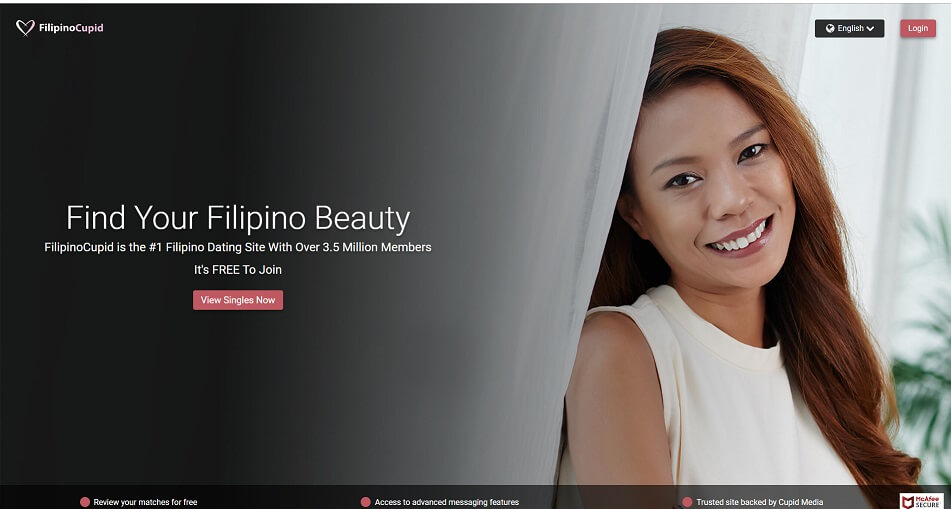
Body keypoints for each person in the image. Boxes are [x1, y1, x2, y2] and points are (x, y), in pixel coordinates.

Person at [556, 28, 920, 509]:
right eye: (683, 179)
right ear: (634, 214)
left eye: (751, 152)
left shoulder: (825, 364)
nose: (732, 201)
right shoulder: (624, 351)